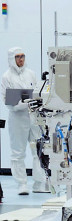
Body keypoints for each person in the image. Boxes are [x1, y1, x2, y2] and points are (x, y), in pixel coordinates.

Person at [1, 48, 49, 195]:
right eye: (17, 57)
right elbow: (8, 102)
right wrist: (23, 104)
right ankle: (21, 184)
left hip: (33, 117)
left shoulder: (30, 74)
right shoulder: (6, 77)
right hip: (17, 119)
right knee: (18, 153)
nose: (20, 59)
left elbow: (37, 92)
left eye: (22, 56)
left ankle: (39, 183)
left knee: (38, 150)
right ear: (11, 59)